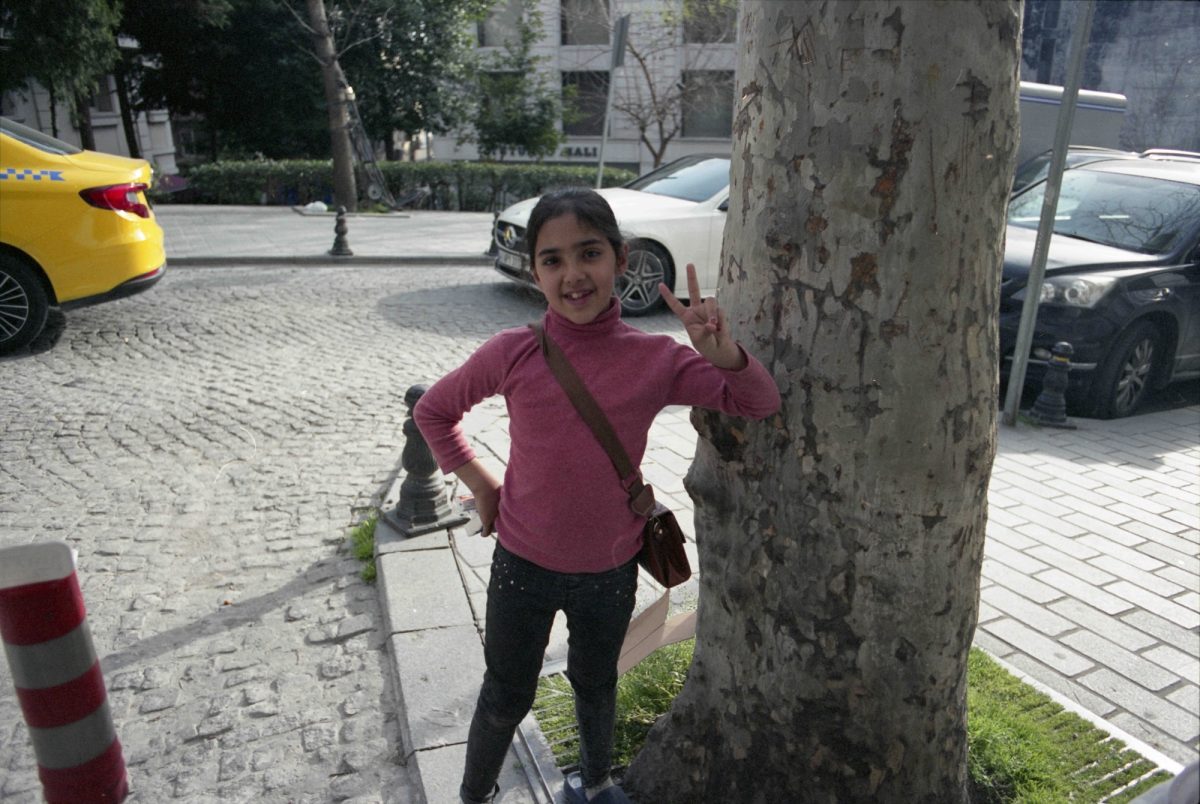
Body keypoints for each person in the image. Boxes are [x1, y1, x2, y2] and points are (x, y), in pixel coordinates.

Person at [413, 188, 781, 804]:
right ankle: (474, 794)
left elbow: (758, 403)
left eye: (589, 253)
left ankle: (595, 781)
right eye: (552, 260)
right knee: (505, 694)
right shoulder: (513, 351)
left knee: (595, 683)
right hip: (521, 568)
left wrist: (723, 355)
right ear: (535, 272)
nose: (573, 274)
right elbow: (433, 410)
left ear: (621, 258)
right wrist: (482, 484)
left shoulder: (656, 358)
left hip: (609, 571)